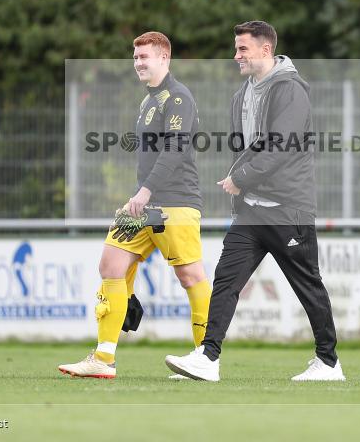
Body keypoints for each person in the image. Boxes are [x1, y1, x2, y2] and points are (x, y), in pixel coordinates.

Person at [164, 20, 344, 382]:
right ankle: (208, 357)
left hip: (287, 209)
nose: (236, 56)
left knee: (307, 285)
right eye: (236, 48)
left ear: (266, 50)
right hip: (250, 213)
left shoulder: (290, 90)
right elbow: (244, 149)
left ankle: (328, 362)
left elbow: (281, 146)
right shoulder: (242, 94)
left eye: (242, 48)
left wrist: (239, 179)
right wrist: (240, 187)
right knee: (226, 279)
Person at [59, 31, 210, 379]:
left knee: (190, 276)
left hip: (175, 203)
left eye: (146, 57)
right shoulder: (148, 102)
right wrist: (141, 195)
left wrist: (144, 192)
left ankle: (206, 357)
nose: (138, 63)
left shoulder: (178, 99)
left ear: (164, 59)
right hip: (143, 204)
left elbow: (174, 150)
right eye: (136, 56)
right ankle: (103, 359)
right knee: (111, 264)